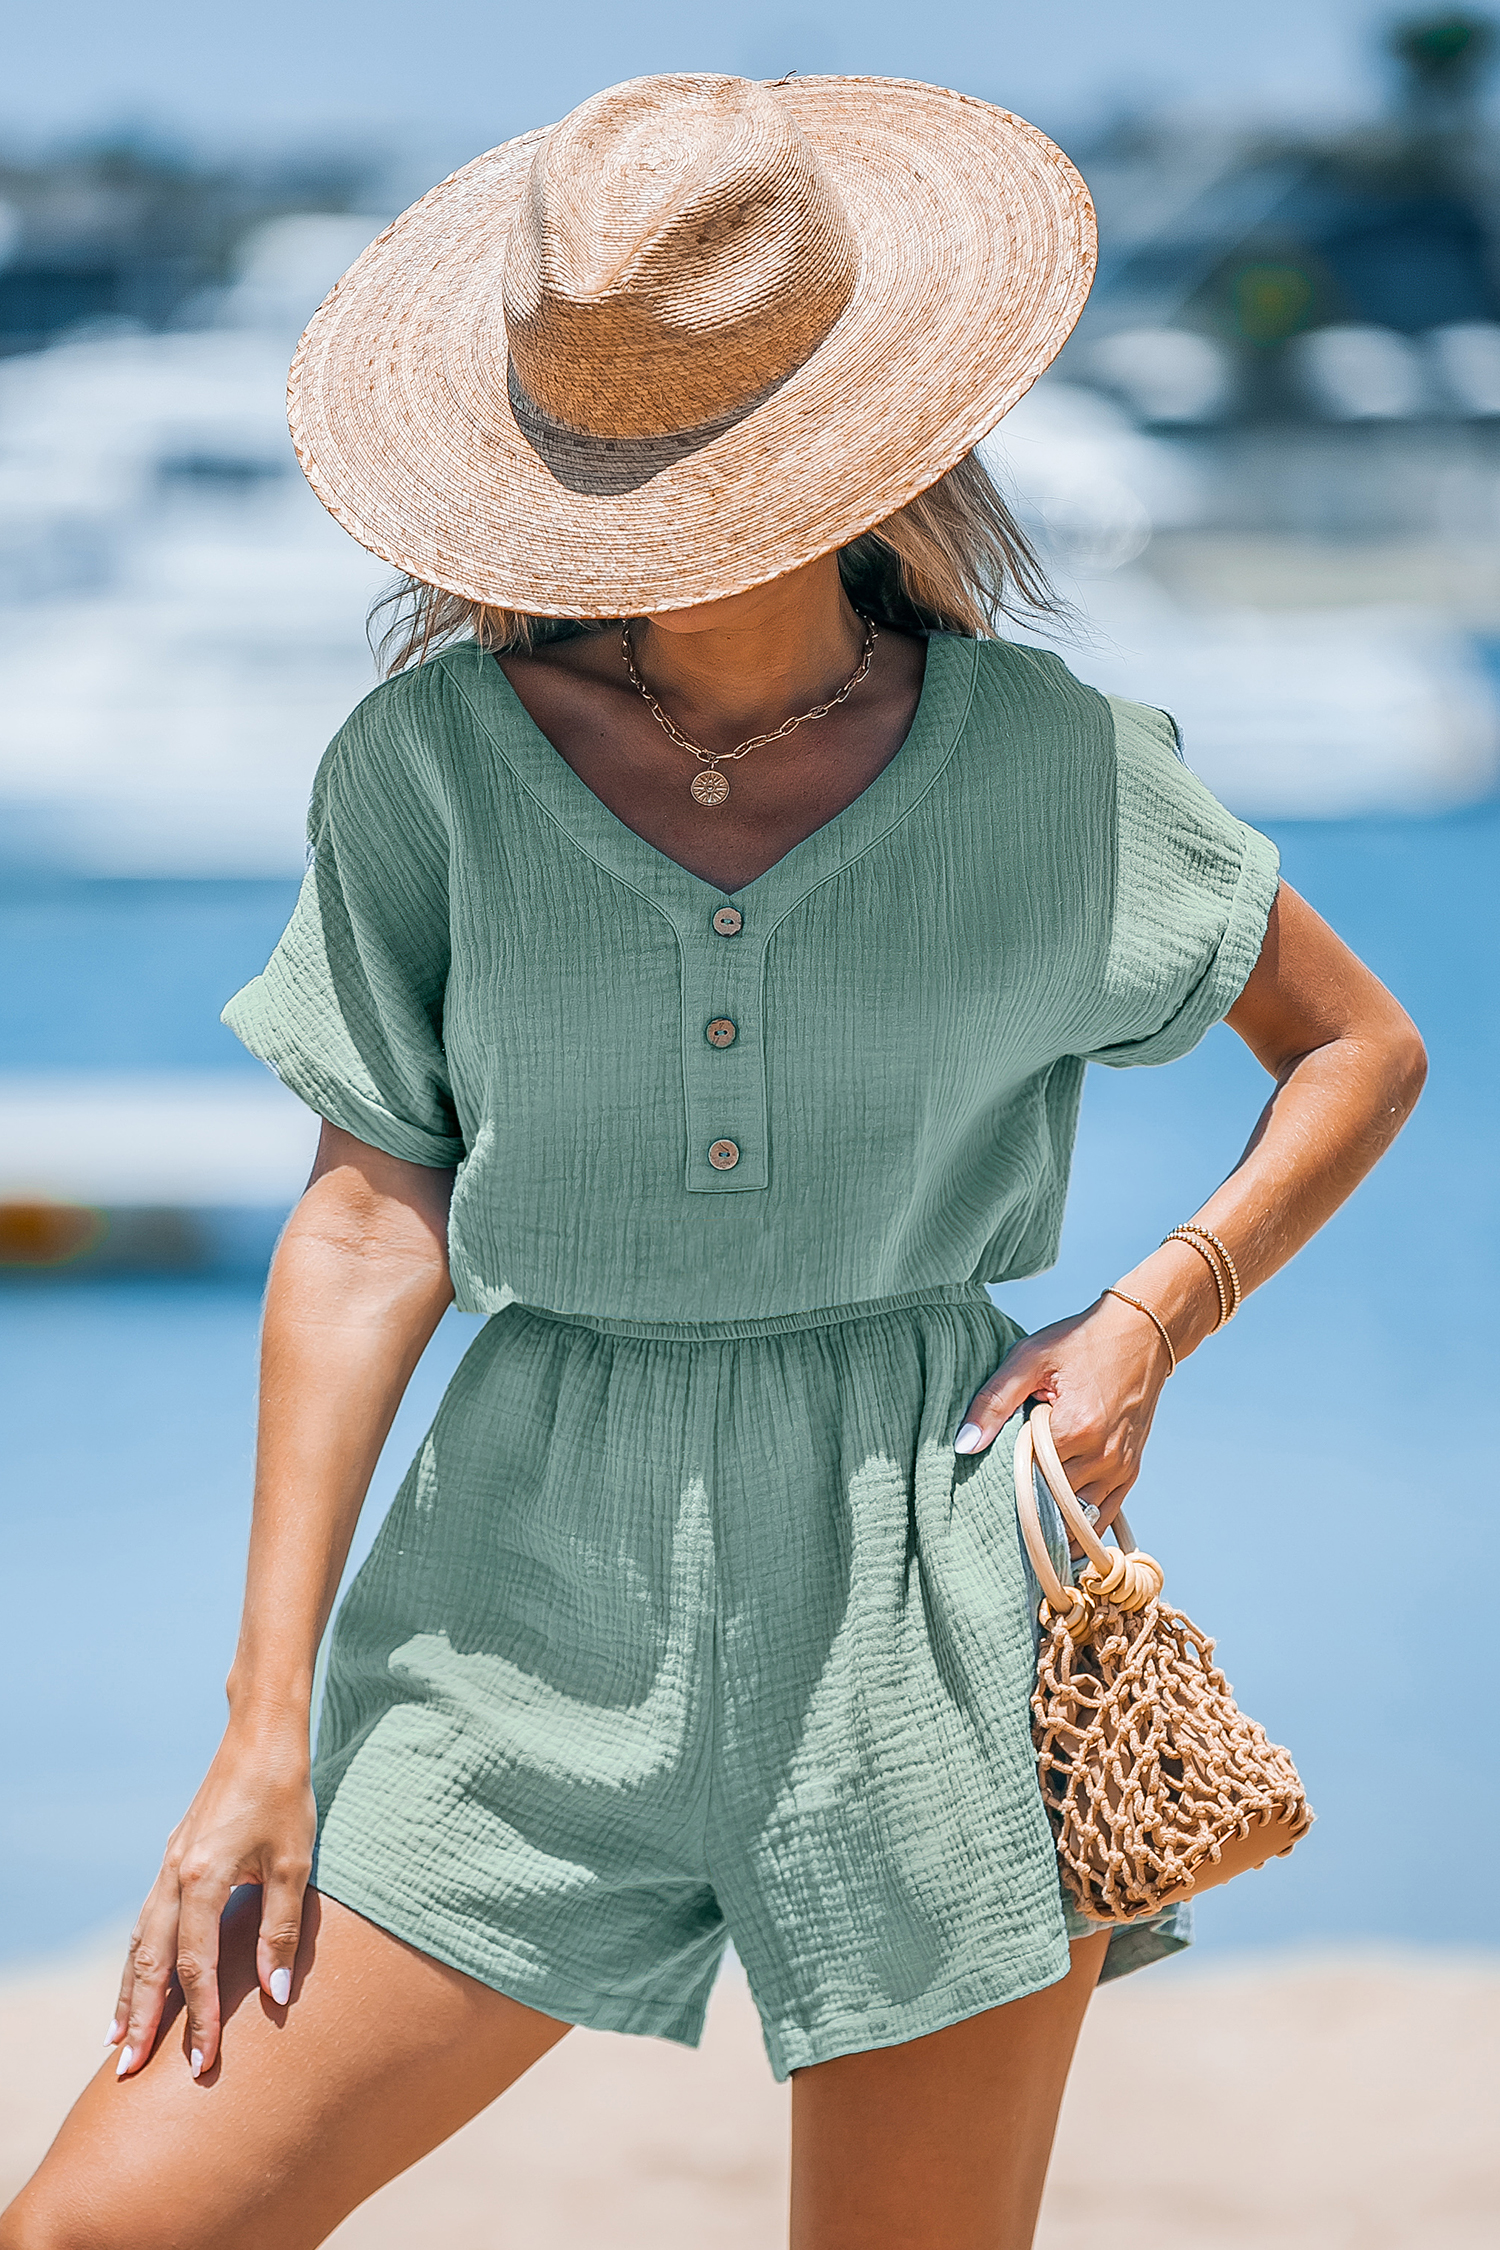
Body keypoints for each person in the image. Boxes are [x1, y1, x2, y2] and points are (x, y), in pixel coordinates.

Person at [2, 72, 1425, 2250]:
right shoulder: (434, 773)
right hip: (510, 1601)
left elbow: (1356, 1051)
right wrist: (257, 1730)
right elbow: (370, 1216)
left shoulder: (1048, 765)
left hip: (934, 1589)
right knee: (113, 2224)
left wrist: (1151, 1315)